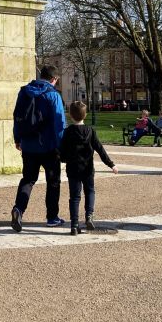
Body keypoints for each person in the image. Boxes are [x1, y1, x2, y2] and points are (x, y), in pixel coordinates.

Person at [11, 64, 67, 231]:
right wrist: (61, 146)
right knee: (53, 182)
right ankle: (52, 217)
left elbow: (17, 116)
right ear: (54, 79)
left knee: (28, 180)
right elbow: (59, 124)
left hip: (28, 143)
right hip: (49, 145)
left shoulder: (24, 92)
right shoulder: (53, 95)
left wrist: (18, 138)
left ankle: (18, 209)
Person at [59, 101, 117, 235]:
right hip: (88, 169)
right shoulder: (90, 131)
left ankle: (74, 225)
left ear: (70, 115)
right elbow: (100, 150)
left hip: (73, 169)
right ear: (85, 115)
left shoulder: (67, 132)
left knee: (74, 197)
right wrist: (111, 164)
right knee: (90, 192)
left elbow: (62, 152)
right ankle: (89, 216)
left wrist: (63, 159)